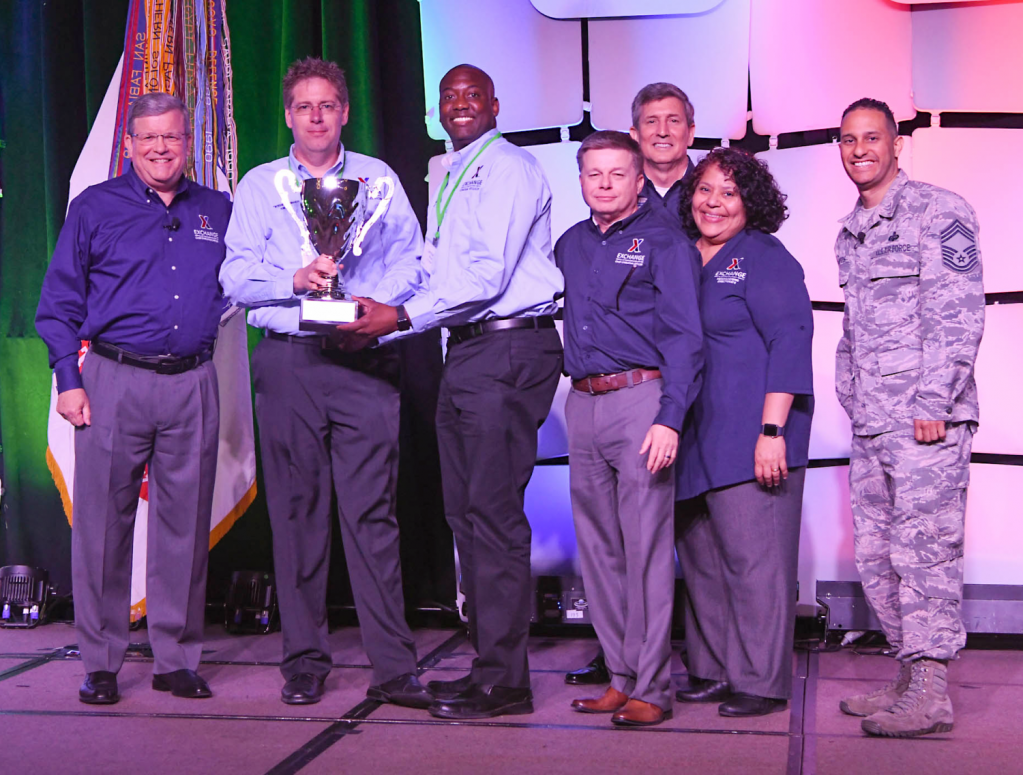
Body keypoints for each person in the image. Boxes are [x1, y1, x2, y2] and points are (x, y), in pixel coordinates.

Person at [339, 64, 564, 720]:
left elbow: (485, 274)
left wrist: (399, 318)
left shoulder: (511, 168)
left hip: (507, 343)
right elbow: (440, 270)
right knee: (465, 515)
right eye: (449, 98)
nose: (460, 105)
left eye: (472, 96)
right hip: (465, 350)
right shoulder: (449, 168)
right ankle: (490, 666)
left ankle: (507, 683)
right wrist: (376, 313)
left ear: (495, 103)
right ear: (438, 111)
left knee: (491, 516)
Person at [219, 57, 430, 708]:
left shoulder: (379, 179)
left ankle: (394, 665)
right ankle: (304, 658)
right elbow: (233, 279)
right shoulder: (260, 186)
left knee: (372, 514)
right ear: (288, 115)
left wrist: (366, 305)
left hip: (363, 362)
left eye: (327, 104)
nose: (315, 115)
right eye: (303, 106)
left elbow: (413, 271)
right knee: (296, 514)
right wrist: (294, 280)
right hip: (289, 361)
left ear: (344, 111)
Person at [35, 92, 230, 704]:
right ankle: (101, 662)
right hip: (113, 381)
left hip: (194, 380)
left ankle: (175, 658)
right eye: (148, 139)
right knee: (101, 528)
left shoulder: (219, 210)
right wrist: (69, 380)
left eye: (171, 137)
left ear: (187, 140)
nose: (160, 149)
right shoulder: (96, 208)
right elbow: (59, 303)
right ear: (130, 144)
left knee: (184, 524)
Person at [834, 98, 984, 738]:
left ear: (897, 144)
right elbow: (854, 328)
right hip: (872, 420)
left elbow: (957, 311)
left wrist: (934, 404)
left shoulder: (939, 211)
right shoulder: (850, 230)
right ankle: (905, 673)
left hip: (925, 421)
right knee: (877, 554)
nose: (859, 149)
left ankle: (931, 692)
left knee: (925, 554)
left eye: (872, 137)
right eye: (848, 139)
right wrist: (850, 394)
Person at [556, 131, 703, 727]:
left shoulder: (666, 243)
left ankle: (653, 686)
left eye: (619, 173)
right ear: (583, 180)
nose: (606, 184)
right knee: (598, 549)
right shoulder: (569, 244)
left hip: (640, 400)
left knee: (644, 549)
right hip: (583, 403)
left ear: (640, 179)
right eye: (595, 174)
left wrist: (670, 416)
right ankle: (619, 675)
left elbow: (685, 337)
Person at [674, 148, 814, 717]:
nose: (714, 202)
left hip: (753, 432)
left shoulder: (763, 255)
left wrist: (773, 429)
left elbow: (791, 337)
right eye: (705, 190)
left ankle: (760, 681)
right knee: (704, 563)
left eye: (728, 193)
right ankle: (710, 670)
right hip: (693, 438)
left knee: (756, 564)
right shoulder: (683, 258)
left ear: (749, 202)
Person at [630, 82, 697, 224]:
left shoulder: (713, 194)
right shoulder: (618, 192)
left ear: (690, 133)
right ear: (635, 135)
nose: (662, 132)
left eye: (673, 121)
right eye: (652, 121)